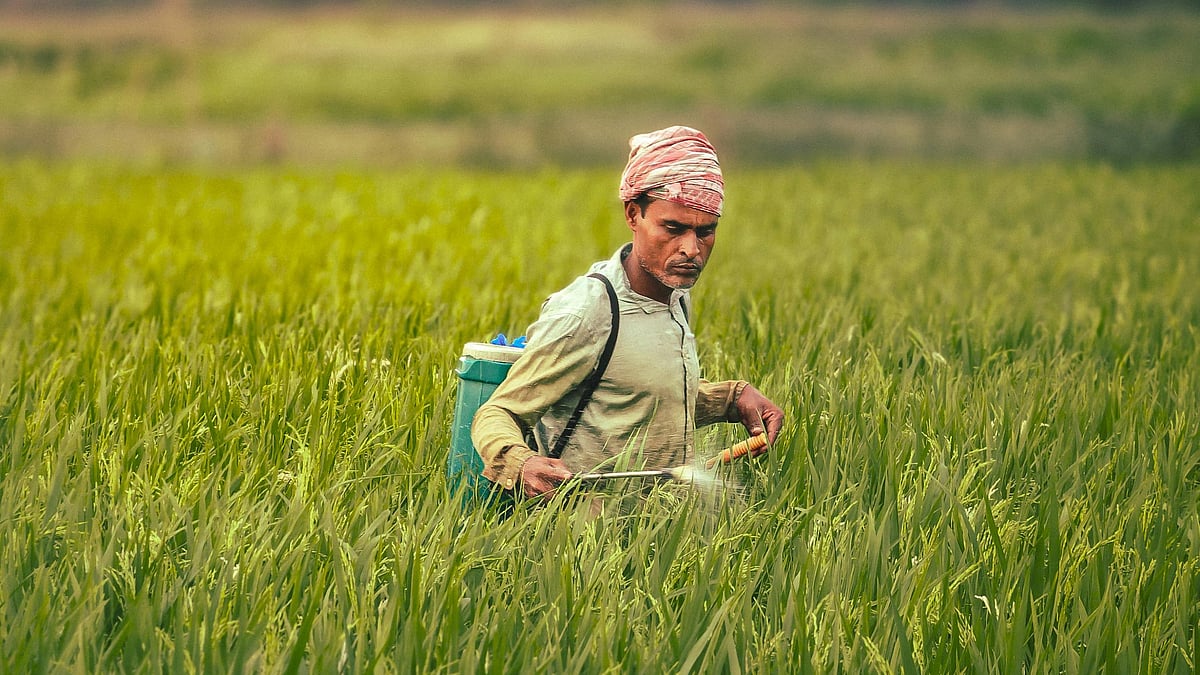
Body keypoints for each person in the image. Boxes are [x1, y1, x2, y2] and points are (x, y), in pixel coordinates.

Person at [471, 125, 784, 500]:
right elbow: (498, 413)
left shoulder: (675, 293)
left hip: (653, 533)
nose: (691, 249)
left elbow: (635, 394)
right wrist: (521, 463)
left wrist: (731, 399)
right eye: (674, 228)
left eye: (706, 232)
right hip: (582, 538)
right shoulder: (588, 312)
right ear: (633, 214)